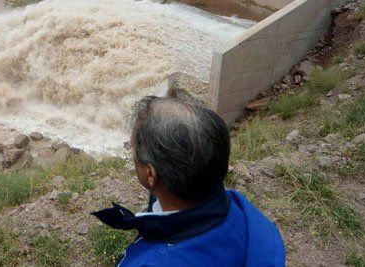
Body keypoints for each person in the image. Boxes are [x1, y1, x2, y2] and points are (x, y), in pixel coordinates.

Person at [92, 96, 285, 266]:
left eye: (133, 150)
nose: (133, 153)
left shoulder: (153, 262)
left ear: (150, 174)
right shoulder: (248, 217)